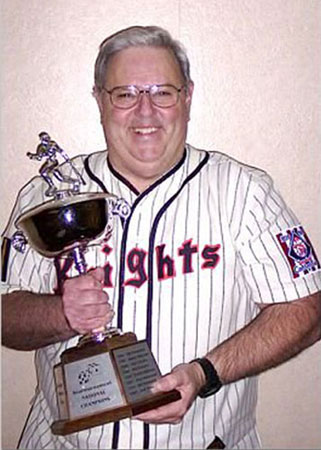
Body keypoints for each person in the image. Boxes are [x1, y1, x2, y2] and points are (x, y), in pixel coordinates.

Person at [1, 25, 321, 450]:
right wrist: (62, 314)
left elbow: (307, 309)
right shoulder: (50, 195)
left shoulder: (244, 191)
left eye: (162, 92)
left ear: (187, 96)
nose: (145, 111)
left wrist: (206, 373)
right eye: (125, 93)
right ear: (100, 100)